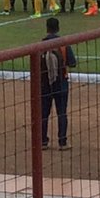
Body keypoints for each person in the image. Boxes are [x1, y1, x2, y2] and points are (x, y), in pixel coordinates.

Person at [39, 16, 77, 150]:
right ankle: (62, 142)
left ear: (47, 29)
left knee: (44, 113)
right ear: (58, 28)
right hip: (61, 82)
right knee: (61, 112)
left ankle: (43, 141)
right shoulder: (64, 44)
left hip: (44, 84)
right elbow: (72, 63)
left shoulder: (41, 45)